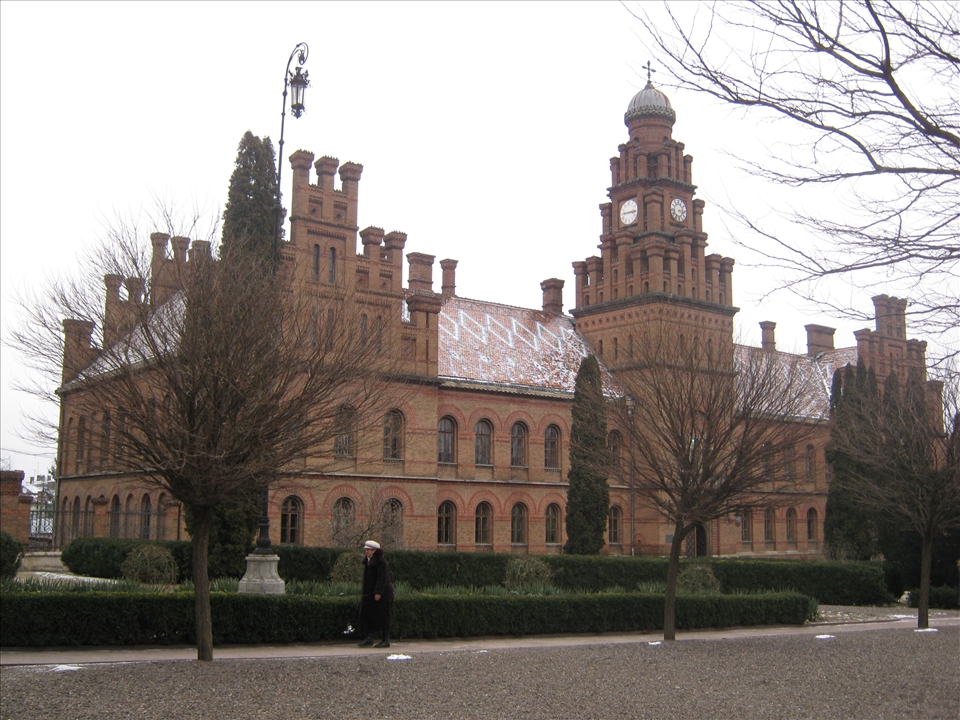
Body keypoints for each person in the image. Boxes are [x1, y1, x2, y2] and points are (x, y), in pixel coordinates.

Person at [357, 540, 394, 648]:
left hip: (382, 594)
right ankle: (368, 637)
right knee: (367, 614)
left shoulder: (381, 561)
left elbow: (382, 578)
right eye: (366, 549)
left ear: (374, 551)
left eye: (368, 549)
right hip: (369, 593)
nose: (366, 551)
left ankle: (385, 639)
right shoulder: (368, 561)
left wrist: (378, 592)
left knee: (384, 616)